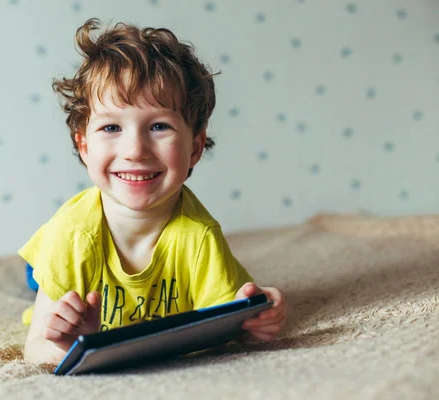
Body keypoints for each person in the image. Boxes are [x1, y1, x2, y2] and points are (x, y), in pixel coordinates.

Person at [19, 18, 287, 364]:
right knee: (38, 281)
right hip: (72, 254)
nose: (135, 150)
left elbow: (227, 326)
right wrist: (71, 341)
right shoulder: (71, 235)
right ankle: (35, 273)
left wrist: (257, 322)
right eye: (111, 126)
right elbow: (35, 349)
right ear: (84, 147)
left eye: (159, 126)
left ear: (194, 147)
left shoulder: (199, 237)